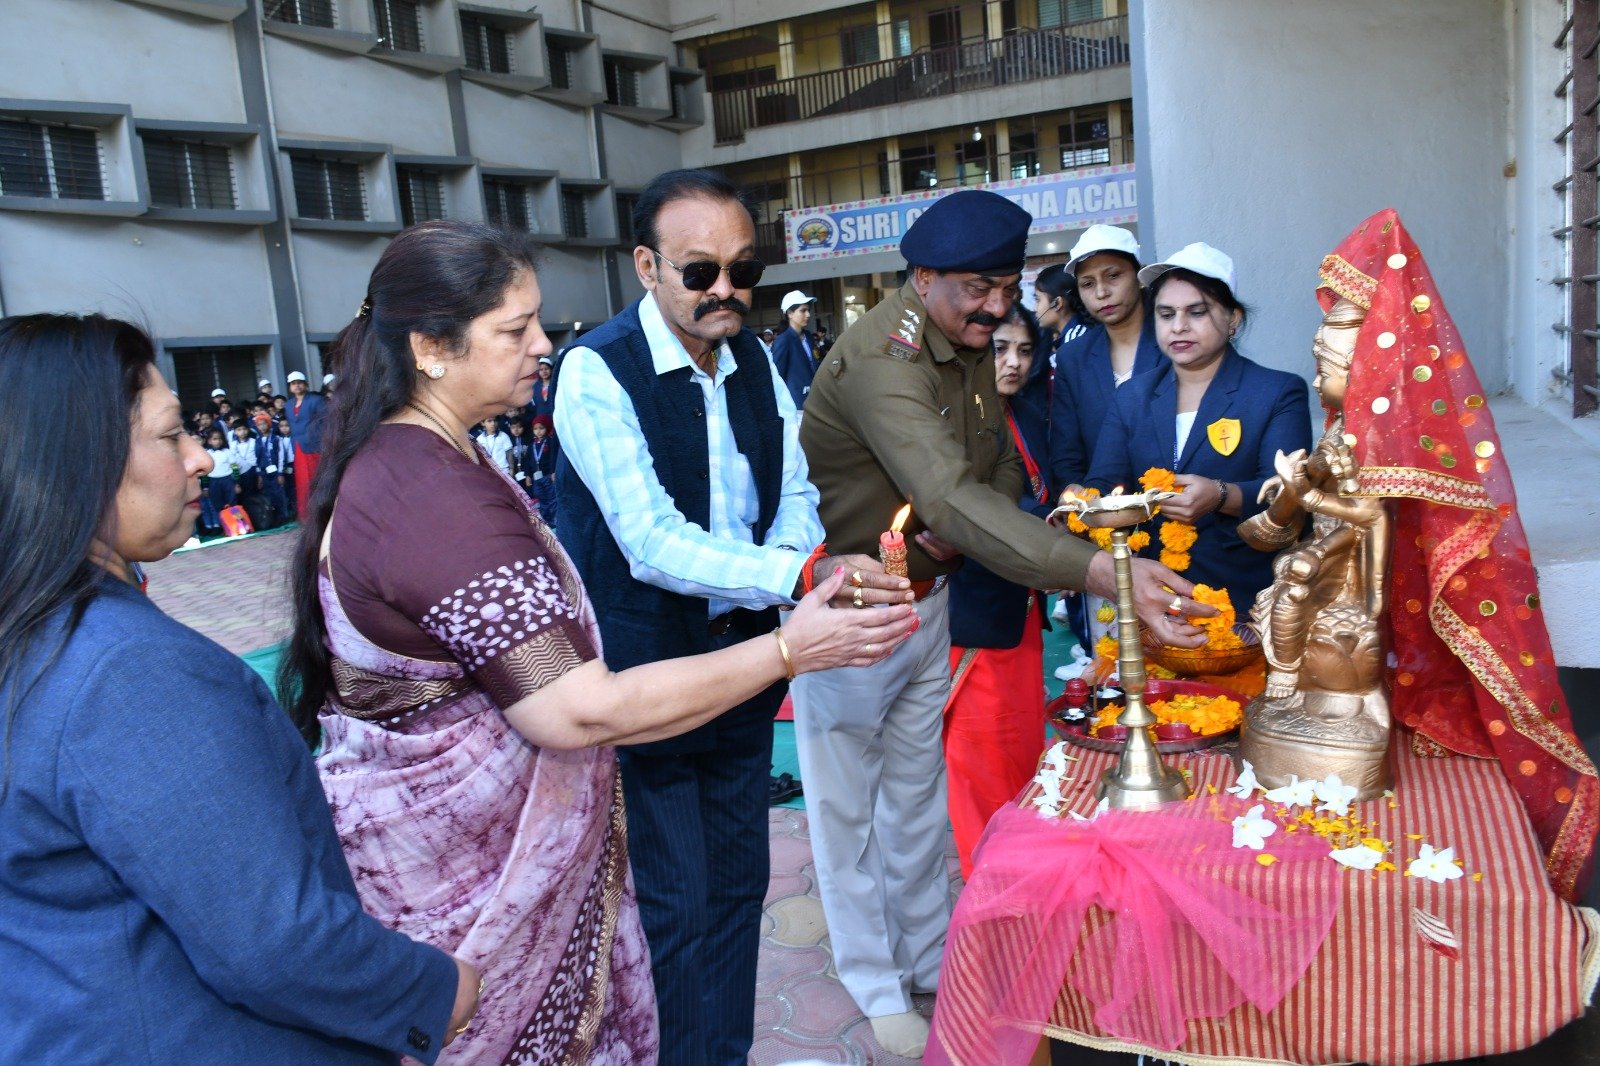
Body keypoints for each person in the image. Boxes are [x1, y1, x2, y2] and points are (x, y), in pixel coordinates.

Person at [282, 219, 914, 1065]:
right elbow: (577, 712)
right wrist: (791, 650)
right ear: (431, 348)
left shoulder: (429, 456)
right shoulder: (429, 497)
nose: (542, 345)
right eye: (514, 330)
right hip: (469, 885)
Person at [0, 312, 482, 1063]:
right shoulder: (126, 672)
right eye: (168, 437)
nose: (198, 458)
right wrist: (429, 990)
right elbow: (269, 937)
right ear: (77, 460)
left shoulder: (33, 635)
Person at [793, 189, 1206, 1059]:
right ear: (923, 277)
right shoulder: (884, 358)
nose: (995, 306)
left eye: (1006, 286)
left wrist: (984, 519)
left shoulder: (968, 340)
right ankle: (873, 983)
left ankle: (929, 958)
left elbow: (987, 473)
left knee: (912, 805)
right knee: (847, 812)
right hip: (856, 608)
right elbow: (946, 491)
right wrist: (1104, 571)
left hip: (929, 602)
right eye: (977, 287)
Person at [554, 171, 911, 1066]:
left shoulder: (754, 360)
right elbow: (649, 541)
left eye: (743, 270)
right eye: (701, 270)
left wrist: (796, 567)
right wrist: (796, 572)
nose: (726, 291)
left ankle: (723, 1053)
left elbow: (794, 492)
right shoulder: (596, 371)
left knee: (738, 892)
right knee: (676, 907)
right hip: (652, 680)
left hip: (749, 670)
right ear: (647, 266)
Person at [1078, 242, 1312, 613]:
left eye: (1197, 312)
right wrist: (1082, 499)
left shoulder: (1276, 391)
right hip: (1153, 595)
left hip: (1245, 595)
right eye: (1166, 314)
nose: (1179, 327)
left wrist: (1222, 495)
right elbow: (1103, 482)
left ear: (1232, 318)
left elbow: (1288, 498)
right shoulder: (1134, 396)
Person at [941, 304, 1052, 879]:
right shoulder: (947, 418)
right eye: (999, 349)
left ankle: (1021, 862)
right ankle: (985, 877)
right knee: (976, 752)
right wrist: (1048, 519)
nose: (1012, 362)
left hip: (1021, 606)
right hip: (973, 610)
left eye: (1024, 350)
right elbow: (964, 511)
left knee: (1020, 742)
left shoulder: (1028, 414)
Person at [1047, 225, 1164, 644]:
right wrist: (1074, 497)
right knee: (1114, 663)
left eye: (1113, 276)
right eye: (1088, 283)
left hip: (1174, 524)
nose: (1102, 292)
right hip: (1104, 532)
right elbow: (1065, 447)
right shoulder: (1075, 355)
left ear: (1138, 274)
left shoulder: (1172, 339)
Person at [285, 368, 327, 515]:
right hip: (297, 446)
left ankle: (320, 511)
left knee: (315, 478)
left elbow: (325, 421)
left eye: (299, 383)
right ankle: (305, 513)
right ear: (290, 387)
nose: (297, 386)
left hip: (314, 445)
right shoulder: (288, 405)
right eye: (293, 384)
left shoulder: (317, 400)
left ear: (305, 385)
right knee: (302, 481)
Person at [770, 288, 819, 409]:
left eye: (808, 310)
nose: (808, 315)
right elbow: (777, 376)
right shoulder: (783, 340)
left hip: (814, 400)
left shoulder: (808, 336)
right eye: (803, 311)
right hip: (795, 404)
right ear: (790, 313)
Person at [528, 354, 557, 422]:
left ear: (551, 369)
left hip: (555, 418)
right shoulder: (535, 386)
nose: (544, 372)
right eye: (541, 370)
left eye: (546, 369)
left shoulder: (555, 384)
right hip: (541, 420)